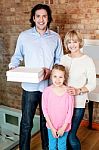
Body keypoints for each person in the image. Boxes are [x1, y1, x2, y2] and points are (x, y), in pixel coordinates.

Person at [9, 4, 63, 150]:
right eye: (38, 16)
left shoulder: (55, 38)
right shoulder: (24, 36)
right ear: (33, 18)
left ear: (48, 18)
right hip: (30, 87)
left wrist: (51, 72)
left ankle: (47, 148)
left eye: (44, 16)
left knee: (47, 122)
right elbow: (17, 56)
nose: (41, 19)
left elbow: (60, 61)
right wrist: (13, 66)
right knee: (26, 122)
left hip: (49, 88)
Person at [60, 30, 96, 150]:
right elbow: (58, 78)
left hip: (78, 103)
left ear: (80, 42)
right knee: (63, 134)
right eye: (69, 42)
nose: (72, 44)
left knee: (71, 135)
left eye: (75, 41)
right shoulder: (63, 59)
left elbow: (92, 84)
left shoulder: (87, 60)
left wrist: (78, 91)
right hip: (63, 102)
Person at [42, 64, 74, 150]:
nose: (57, 80)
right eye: (55, 76)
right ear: (51, 76)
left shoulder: (68, 92)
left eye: (60, 77)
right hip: (51, 126)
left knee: (62, 146)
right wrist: (52, 128)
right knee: (52, 146)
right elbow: (45, 110)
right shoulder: (46, 91)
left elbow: (70, 112)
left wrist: (63, 128)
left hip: (64, 127)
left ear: (64, 78)